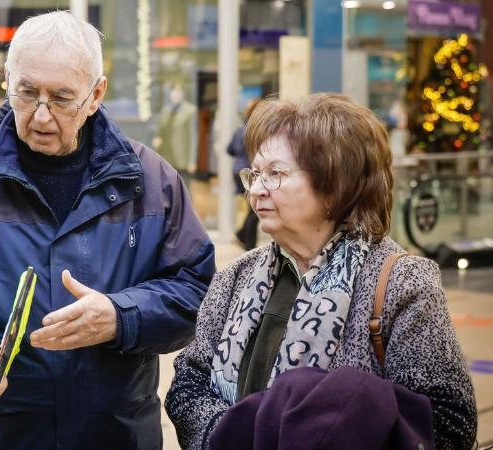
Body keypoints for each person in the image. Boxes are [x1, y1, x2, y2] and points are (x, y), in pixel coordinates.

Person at [0, 11, 216, 450]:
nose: (41, 116)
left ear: (96, 93)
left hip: (115, 434)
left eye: (62, 98)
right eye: (27, 93)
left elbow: (196, 292)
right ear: (7, 80)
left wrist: (121, 317)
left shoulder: (151, 182)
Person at [165, 93, 476, 450]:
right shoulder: (236, 276)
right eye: (255, 174)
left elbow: (451, 423)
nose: (256, 191)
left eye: (276, 174)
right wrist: (228, 436)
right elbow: (189, 383)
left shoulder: (402, 283)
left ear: (335, 187)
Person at [227, 98, 259, 250]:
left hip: (237, 170)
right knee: (255, 208)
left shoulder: (240, 129)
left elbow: (229, 149)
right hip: (248, 172)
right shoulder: (256, 131)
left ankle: (242, 235)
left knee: (252, 206)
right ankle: (247, 241)